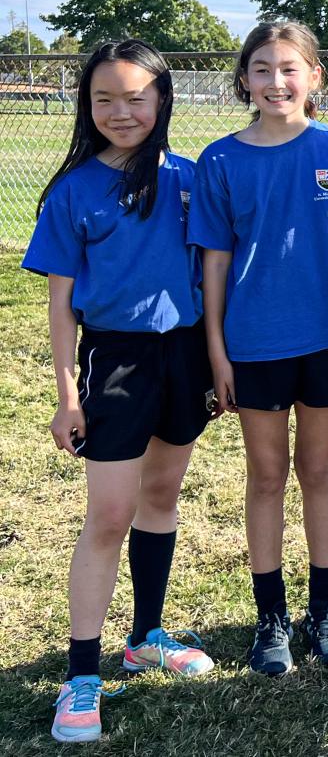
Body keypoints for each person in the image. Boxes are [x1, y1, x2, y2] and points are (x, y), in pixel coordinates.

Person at [25, 39, 215, 743]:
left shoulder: (193, 178)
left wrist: (216, 363)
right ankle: (81, 678)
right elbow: (59, 304)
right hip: (116, 364)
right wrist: (66, 393)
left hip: (184, 357)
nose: (121, 111)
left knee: (161, 499)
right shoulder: (73, 189)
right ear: (87, 104)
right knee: (108, 517)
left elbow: (214, 276)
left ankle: (144, 637)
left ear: (162, 98)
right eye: (104, 98)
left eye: (136, 96)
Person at [188, 21, 328, 676]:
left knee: (319, 471)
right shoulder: (221, 160)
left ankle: (324, 610)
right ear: (244, 79)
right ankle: (270, 618)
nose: (277, 81)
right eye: (263, 69)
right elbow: (213, 262)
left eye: (290, 68)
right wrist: (217, 351)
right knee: (267, 477)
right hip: (256, 343)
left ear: (314, 77)